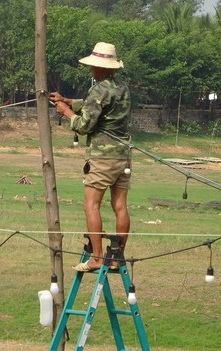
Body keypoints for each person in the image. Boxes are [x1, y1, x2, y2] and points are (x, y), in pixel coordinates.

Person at [49, 42, 132, 271]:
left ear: (102, 68)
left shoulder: (98, 89)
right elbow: (95, 107)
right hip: (122, 156)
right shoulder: (122, 87)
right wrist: (69, 101)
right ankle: (118, 257)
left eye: (94, 66)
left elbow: (85, 125)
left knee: (91, 205)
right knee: (120, 207)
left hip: (102, 158)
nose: (91, 70)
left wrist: (66, 113)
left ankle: (96, 257)